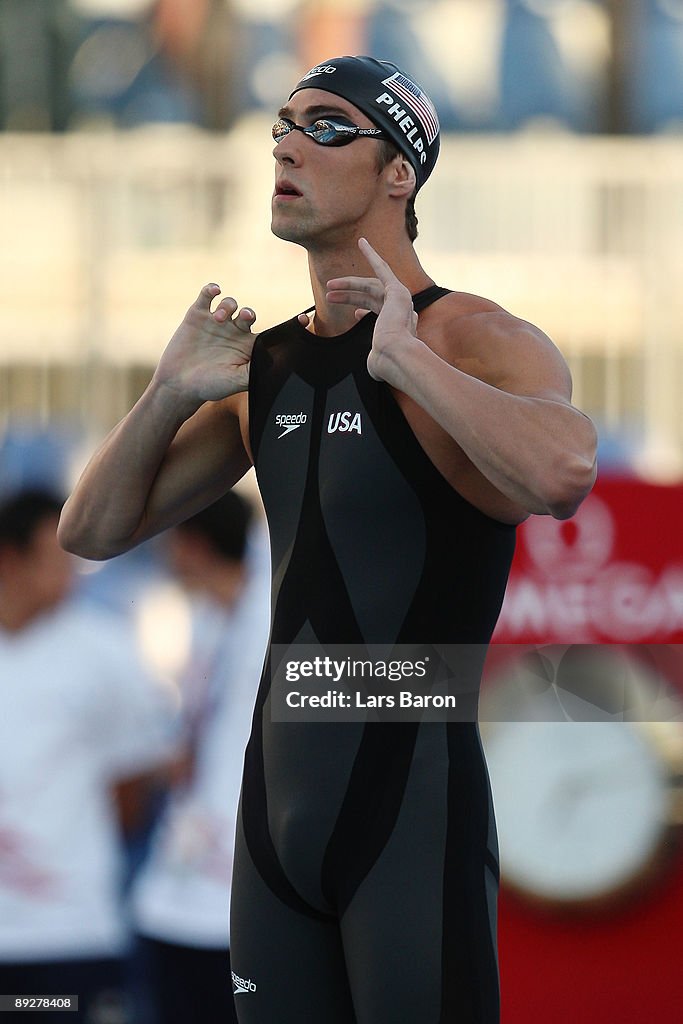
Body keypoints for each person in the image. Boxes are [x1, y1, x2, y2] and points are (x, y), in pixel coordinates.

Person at [59, 55, 597, 1024]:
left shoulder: (468, 335)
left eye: (327, 127)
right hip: (272, 827)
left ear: (400, 172)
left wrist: (408, 367)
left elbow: (561, 473)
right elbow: (90, 530)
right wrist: (167, 392)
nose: (288, 144)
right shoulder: (267, 363)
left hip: (409, 813)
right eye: (281, 124)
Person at [0, 488, 173, 1022]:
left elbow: (133, 788)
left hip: (68, 937)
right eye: (57, 557)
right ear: (10, 559)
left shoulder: (105, 652)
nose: (72, 572)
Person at [130, 491, 269, 1024]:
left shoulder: (273, 617)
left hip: (238, 895)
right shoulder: (210, 620)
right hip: (178, 884)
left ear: (191, 545)